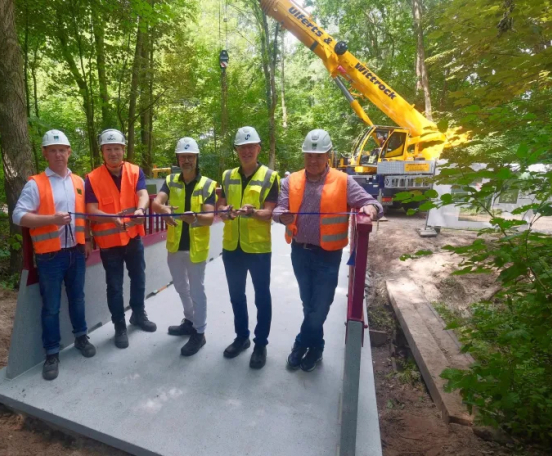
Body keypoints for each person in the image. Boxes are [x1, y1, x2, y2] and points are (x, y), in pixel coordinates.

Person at [273, 129, 383, 372]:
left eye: (319, 155)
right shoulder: (289, 181)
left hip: (328, 255)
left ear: (328, 156)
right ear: (304, 156)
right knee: (309, 304)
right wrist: (283, 217)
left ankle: (301, 343)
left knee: (320, 305)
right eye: (309, 155)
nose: (313, 160)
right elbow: (278, 211)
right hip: (300, 253)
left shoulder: (343, 181)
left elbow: (371, 202)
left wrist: (371, 210)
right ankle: (317, 348)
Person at [12, 130, 96, 381]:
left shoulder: (79, 182)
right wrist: (52, 220)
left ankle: (81, 338)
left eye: (62, 150)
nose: (58, 154)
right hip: (50, 256)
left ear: (69, 152)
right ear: (45, 153)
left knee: (78, 299)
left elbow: (85, 215)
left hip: (76, 252)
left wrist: (88, 239)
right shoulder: (35, 183)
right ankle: (51, 353)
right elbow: (18, 216)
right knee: (51, 307)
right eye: (53, 150)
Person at [85, 129, 156, 349]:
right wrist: (110, 218)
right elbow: (90, 209)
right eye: (109, 149)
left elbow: (143, 194)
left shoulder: (135, 172)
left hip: (133, 237)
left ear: (123, 149)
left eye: (117, 148)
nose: (113, 153)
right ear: (102, 152)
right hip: (109, 244)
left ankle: (138, 314)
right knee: (114, 286)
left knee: (139, 278)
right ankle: (119, 326)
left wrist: (140, 209)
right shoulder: (92, 178)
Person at [217, 126, 280, 369]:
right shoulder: (227, 175)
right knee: (236, 296)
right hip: (232, 246)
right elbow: (221, 207)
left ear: (258, 149)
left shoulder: (269, 176)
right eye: (242, 147)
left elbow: (270, 211)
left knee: (261, 297)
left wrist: (254, 213)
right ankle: (241, 337)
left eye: (251, 147)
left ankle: (260, 344)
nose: (246, 151)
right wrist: (225, 212)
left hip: (258, 249)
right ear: (236, 150)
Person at [152, 137, 217, 356]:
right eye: (183, 156)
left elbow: (209, 217)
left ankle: (200, 332)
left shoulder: (208, 184)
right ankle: (190, 320)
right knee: (180, 286)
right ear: (178, 159)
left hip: (196, 247)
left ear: (196, 158)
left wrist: (193, 217)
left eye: (190, 156)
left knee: (197, 290)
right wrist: (164, 210)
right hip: (175, 245)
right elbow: (156, 202)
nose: (187, 160)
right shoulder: (170, 181)